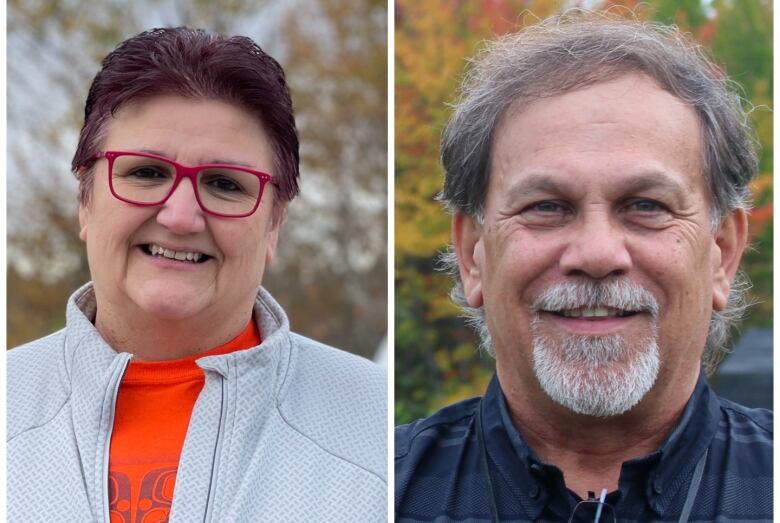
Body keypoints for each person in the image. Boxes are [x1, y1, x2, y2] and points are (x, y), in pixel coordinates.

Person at [395, 13, 772, 523]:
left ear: (722, 254)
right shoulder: (373, 490)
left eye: (645, 205)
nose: (597, 254)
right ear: (473, 254)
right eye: (547, 207)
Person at [8, 27, 386, 522]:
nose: (180, 216)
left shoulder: (377, 432)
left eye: (225, 184)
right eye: (146, 173)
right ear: (85, 200)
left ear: (274, 224)